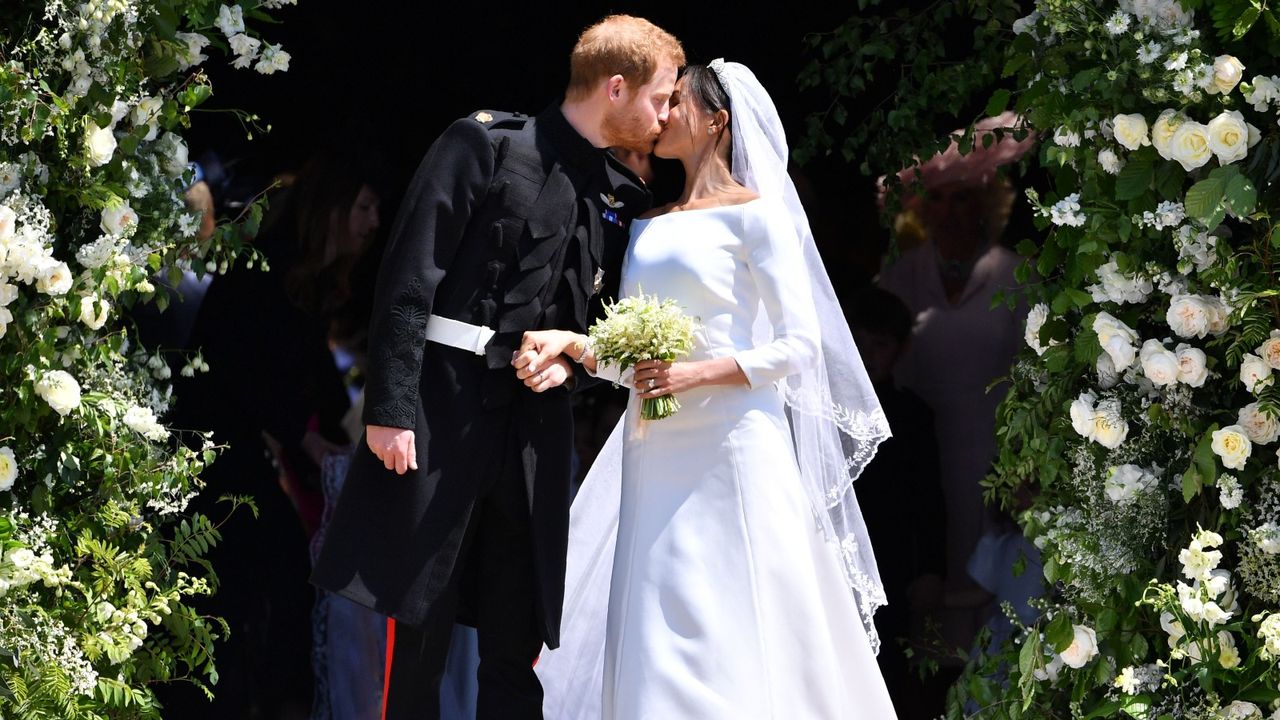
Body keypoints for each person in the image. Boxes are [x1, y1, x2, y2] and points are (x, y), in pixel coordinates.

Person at [310, 16, 684, 720]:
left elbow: (597, 321)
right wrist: (390, 410)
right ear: (615, 87)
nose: (665, 118)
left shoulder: (618, 197)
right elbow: (408, 279)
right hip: (440, 418)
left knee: (516, 644)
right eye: (661, 98)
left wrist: (569, 359)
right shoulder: (482, 142)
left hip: (533, 437)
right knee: (418, 632)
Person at [519, 60, 897, 719]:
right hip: (654, 445)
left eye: (677, 105)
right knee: (654, 618)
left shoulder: (757, 218)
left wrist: (697, 374)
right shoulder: (647, 223)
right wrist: (575, 345)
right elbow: (633, 356)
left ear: (716, 122)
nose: (661, 115)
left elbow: (799, 346)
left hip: (733, 442)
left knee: (739, 613)